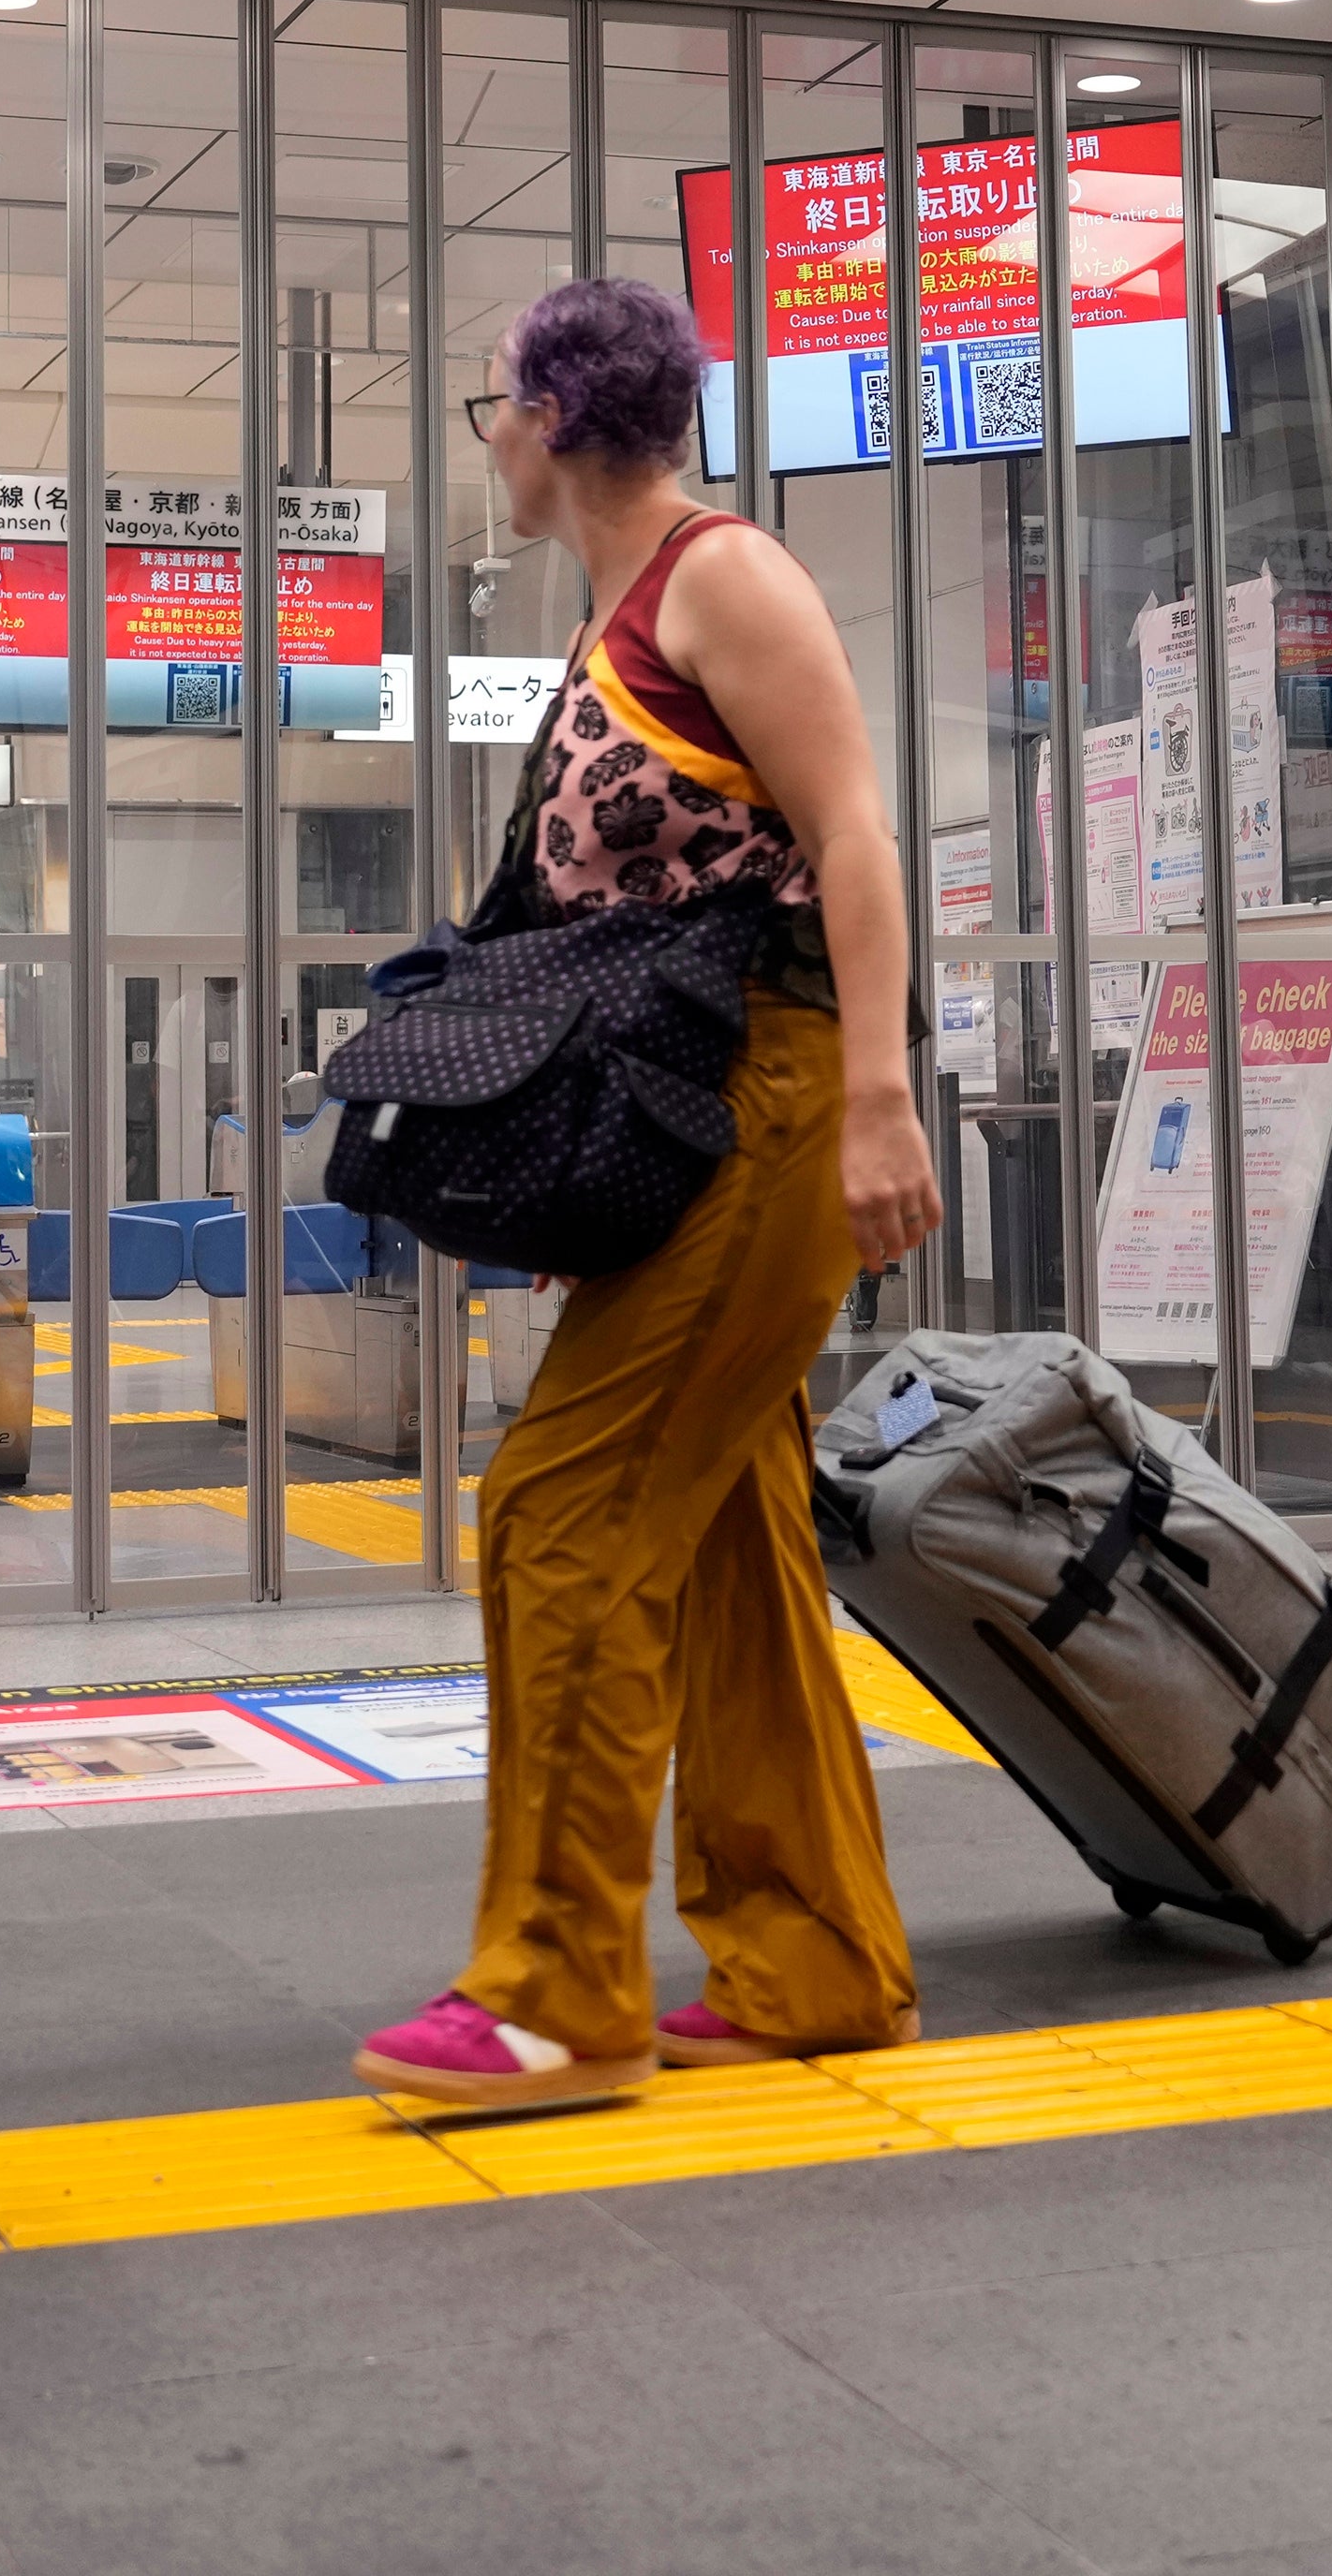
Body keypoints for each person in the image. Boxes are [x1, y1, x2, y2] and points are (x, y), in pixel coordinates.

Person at [352, 272, 936, 2112]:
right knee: (733, 1532)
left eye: (492, 411)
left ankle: (555, 1982)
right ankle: (814, 1953)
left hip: (769, 1098)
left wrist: (876, 1092)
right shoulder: (628, 610)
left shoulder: (720, 577)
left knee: (560, 1501)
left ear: (553, 413)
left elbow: (853, 831)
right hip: (708, 1107)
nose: (493, 444)